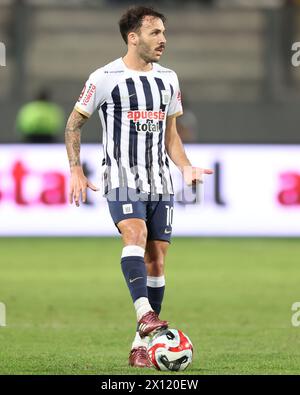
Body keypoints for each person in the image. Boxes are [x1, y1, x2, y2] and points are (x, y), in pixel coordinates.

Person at [65, 6, 213, 368]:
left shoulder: (169, 79)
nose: (163, 39)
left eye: (164, 32)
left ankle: (139, 345)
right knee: (134, 233)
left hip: (159, 180)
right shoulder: (104, 77)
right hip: (120, 177)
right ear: (133, 37)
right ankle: (145, 313)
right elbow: (73, 124)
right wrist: (75, 170)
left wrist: (185, 166)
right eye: (155, 32)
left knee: (157, 259)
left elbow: (171, 135)